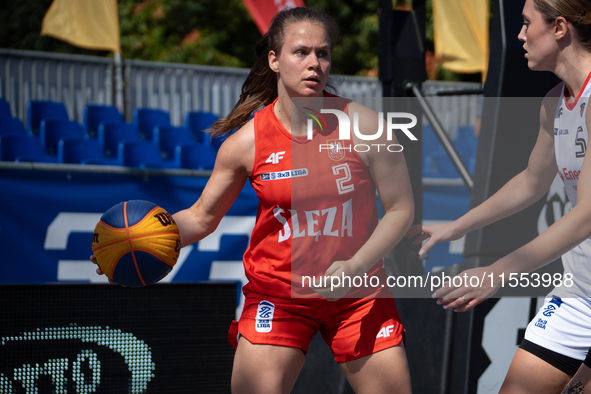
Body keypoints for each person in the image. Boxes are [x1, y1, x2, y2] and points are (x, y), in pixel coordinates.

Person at [94, 7, 414, 393]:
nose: (315, 63)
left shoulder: (364, 125)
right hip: (279, 296)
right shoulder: (245, 144)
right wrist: (131, 240)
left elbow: (400, 209)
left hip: (358, 293)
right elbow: (201, 216)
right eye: (301, 52)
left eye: (323, 53)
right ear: (274, 60)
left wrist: (355, 265)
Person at [405, 0, 591, 393]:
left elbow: (587, 215)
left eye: (526, 24)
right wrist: (457, 226)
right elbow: (530, 182)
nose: (519, 36)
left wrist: (496, 272)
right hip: (580, 293)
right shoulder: (553, 103)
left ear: (559, 28)